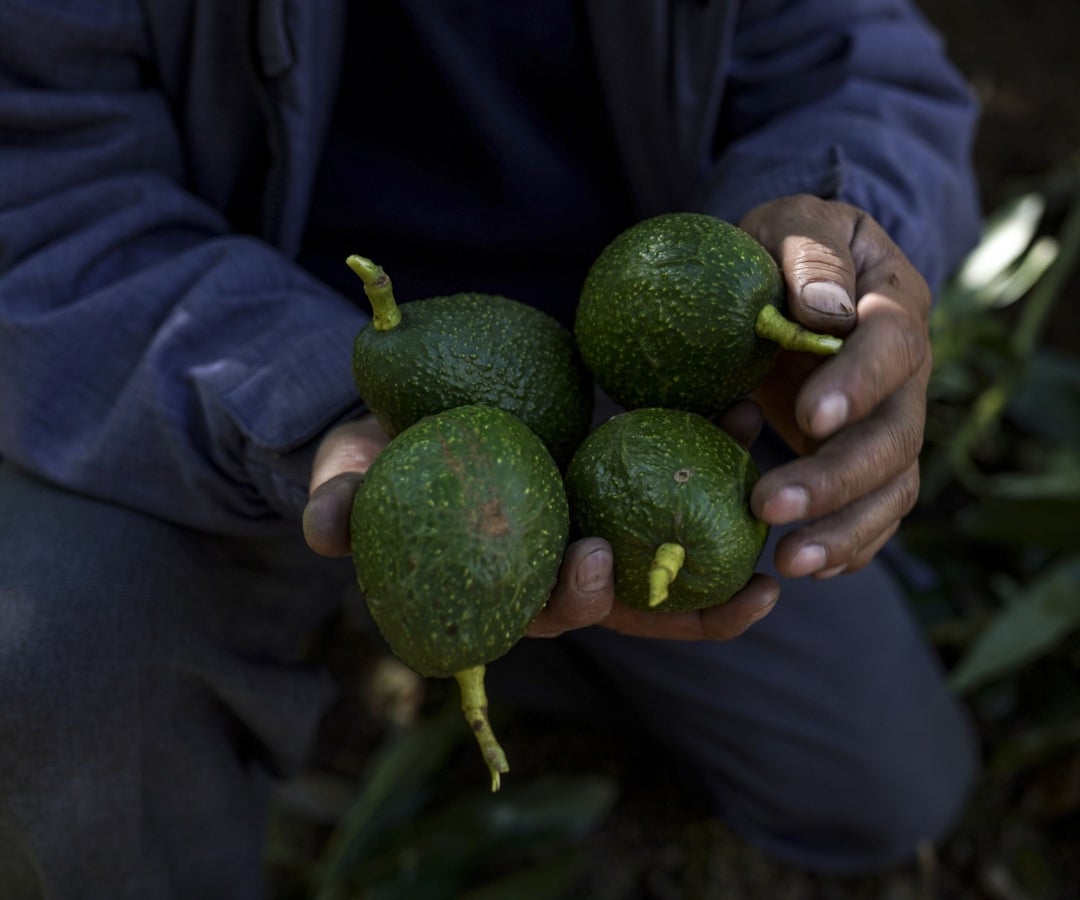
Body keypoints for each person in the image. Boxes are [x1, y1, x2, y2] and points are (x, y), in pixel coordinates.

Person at [0, 0, 982, 895]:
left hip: (622, 402)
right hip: (226, 352)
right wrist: (303, 399)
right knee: (63, 657)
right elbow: (42, 201)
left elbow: (853, 61)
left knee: (885, 786)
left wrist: (828, 222)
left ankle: (454, 618)